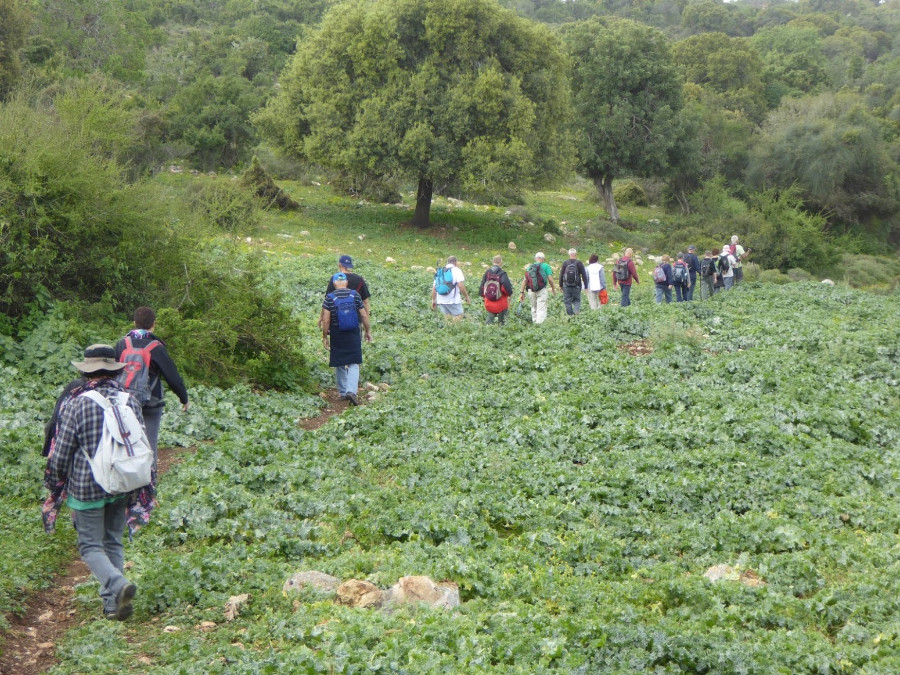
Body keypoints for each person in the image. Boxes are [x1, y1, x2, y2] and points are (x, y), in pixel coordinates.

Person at [45, 345, 142, 621]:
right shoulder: (129, 400)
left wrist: (54, 483)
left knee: (90, 546)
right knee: (112, 540)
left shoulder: (78, 403)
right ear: (113, 369)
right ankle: (114, 606)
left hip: (87, 486)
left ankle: (118, 585)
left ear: (86, 372)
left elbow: (61, 452)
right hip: (122, 481)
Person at [115, 307, 189, 460]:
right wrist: (184, 399)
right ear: (154, 324)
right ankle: (149, 478)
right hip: (151, 402)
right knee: (149, 443)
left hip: (125, 400)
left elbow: (112, 372)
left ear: (134, 323)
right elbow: (172, 377)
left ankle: (127, 476)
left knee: (125, 441)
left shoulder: (122, 344)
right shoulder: (156, 347)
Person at [322, 273, 372, 405]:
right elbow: (363, 314)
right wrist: (367, 330)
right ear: (346, 283)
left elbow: (326, 320)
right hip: (353, 332)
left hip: (337, 333)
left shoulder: (329, 298)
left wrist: (324, 336)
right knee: (354, 362)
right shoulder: (355, 295)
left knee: (339, 362)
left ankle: (344, 392)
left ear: (334, 284)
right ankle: (351, 391)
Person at [321, 254, 371, 329]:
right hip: (355, 320)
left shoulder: (335, 279)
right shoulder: (359, 279)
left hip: (337, 321)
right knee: (355, 339)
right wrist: (366, 320)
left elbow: (327, 301)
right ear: (350, 266)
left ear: (339, 264)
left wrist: (321, 317)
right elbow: (365, 302)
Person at [518, 252, 557, 324]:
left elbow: (525, 280)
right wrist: (553, 289)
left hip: (531, 290)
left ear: (536, 259)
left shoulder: (530, 267)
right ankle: (539, 326)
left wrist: (522, 292)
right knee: (541, 307)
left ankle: (535, 323)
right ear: (543, 259)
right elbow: (550, 279)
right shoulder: (546, 266)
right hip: (542, 290)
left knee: (533, 307)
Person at [479, 255, 514, 325]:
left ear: (493, 262)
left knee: (489, 320)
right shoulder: (502, 273)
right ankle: (502, 330)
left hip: (489, 303)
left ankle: (487, 329)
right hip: (501, 303)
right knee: (503, 322)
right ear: (501, 262)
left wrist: (486, 297)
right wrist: (510, 295)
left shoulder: (487, 273)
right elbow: (506, 289)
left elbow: (482, 289)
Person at [558, 248, 589, 316]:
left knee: (567, 301)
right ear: (575, 254)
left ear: (569, 254)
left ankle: (571, 315)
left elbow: (561, 275)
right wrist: (586, 286)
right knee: (577, 300)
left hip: (566, 286)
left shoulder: (565, 263)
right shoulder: (579, 263)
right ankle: (576, 311)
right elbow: (584, 275)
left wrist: (560, 285)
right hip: (577, 286)